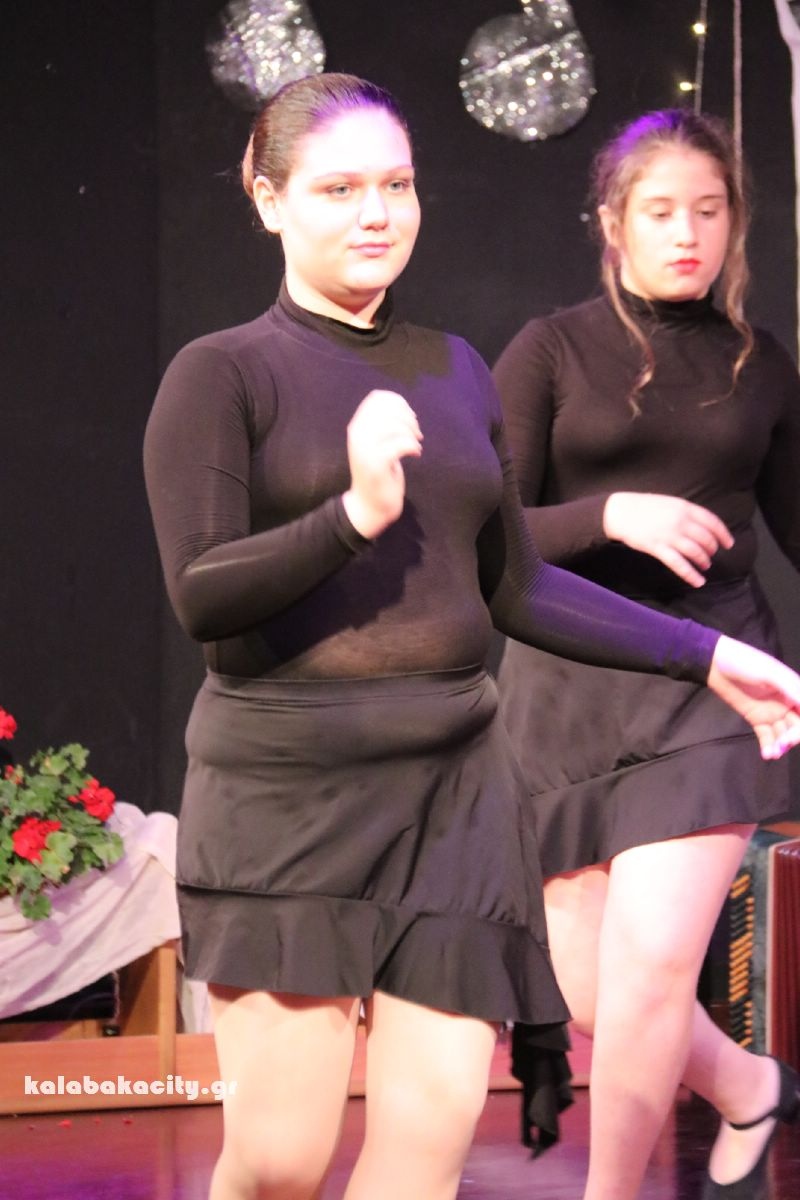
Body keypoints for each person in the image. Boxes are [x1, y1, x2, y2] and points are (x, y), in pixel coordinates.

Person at [144, 81, 800, 1200]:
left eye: (395, 185)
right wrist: (352, 515)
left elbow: (517, 585)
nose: (376, 213)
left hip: (453, 797)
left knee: (428, 1144)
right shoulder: (223, 372)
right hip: (288, 799)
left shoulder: (450, 367)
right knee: (282, 1159)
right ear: (268, 200)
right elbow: (203, 597)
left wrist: (707, 656)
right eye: (339, 189)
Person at [493, 108, 800, 1200]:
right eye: (661, 211)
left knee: (652, 974)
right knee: (588, 993)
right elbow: (486, 532)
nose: (687, 234)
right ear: (612, 222)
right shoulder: (551, 349)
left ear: (734, 223)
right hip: (567, 693)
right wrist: (609, 514)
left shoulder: (757, 364)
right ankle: (748, 1086)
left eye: (708, 212)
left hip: (710, 685)